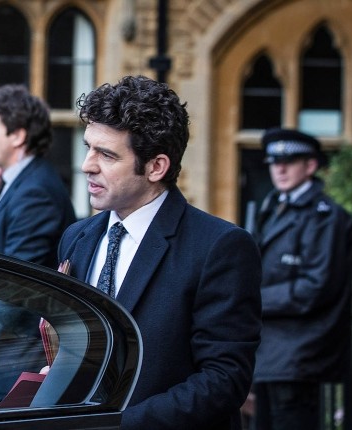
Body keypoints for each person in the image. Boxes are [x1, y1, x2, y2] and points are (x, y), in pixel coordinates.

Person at [57, 75, 262, 429]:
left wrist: (115, 425)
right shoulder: (77, 237)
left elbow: (224, 380)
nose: (87, 164)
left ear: (156, 167)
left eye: (106, 154)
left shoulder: (220, 247)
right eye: (89, 147)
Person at [250, 128, 352, 430]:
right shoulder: (273, 207)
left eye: (289, 162)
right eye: (274, 163)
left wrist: (253, 299)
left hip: (299, 351)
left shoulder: (326, 217)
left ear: (310, 166)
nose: (280, 169)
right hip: (272, 351)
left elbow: (315, 288)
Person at [0, 84, 77, 399]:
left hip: (19, 354)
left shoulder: (35, 191)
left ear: (18, 136)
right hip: (10, 350)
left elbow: (18, 280)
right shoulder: (21, 182)